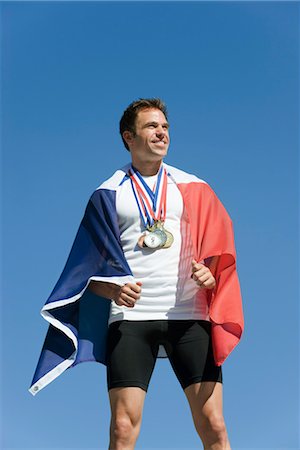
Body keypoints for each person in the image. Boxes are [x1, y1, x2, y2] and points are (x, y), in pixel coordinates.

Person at [29, 98, 244, 450]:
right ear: (129, 137)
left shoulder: (193, 187)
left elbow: (220, 249)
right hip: (130, 320)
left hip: (188, 315)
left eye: (164, 127)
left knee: (214, 427)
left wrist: (210, 273)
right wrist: (112, 291)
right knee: (122, 429)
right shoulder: (107, 195)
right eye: (151, 127)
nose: (161, 133)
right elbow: (82, 275)